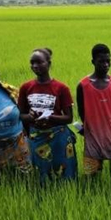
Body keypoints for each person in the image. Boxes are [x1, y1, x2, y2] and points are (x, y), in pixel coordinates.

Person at [18, 48, 77, 183]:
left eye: (39, 62)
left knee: (64, 170)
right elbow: (20, 115)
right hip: (37, 136)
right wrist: (31, 116)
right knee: (41, 171)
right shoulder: (25, 87)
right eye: (32, 63)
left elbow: (69, 118)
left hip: (58, 137)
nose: (35, 66)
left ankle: (67, 194)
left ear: (49, 64)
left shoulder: (61, 88)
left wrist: (50, 118)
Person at [76, 43, 111, 179]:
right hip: (93, 133)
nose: (105, 64)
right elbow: (82, 112)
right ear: (93, 62)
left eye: (108, 61)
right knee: (91, 175)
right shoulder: (83, 85)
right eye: (101, 61)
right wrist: (87, 127)